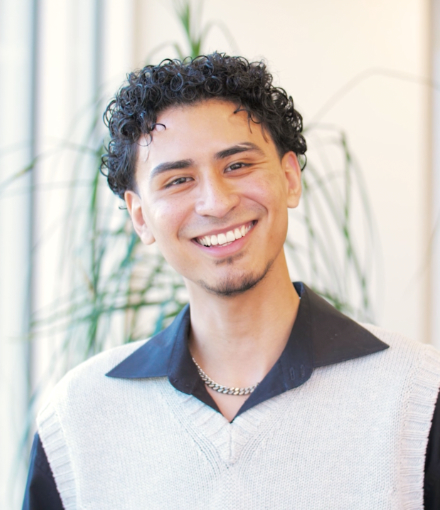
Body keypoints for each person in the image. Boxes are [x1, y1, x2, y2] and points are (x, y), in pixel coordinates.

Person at [23, 53, 440, 509]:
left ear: (289, 179)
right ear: (140, 217)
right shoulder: (81, 416)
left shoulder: (416, 391)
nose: (216, 203)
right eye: (178, 180)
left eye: (238, 166)